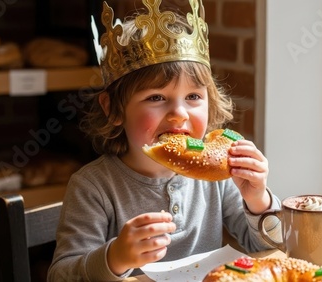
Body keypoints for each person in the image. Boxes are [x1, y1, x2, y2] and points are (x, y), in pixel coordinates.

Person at [47, 0, 281, 280]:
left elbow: (270, 248)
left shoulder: (219, 178)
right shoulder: (93, 187)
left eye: (193, 97)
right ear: (113, 109)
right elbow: (59, 275)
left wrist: (258, 200)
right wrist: (114, 258)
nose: (179, 114)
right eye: (156, 98)